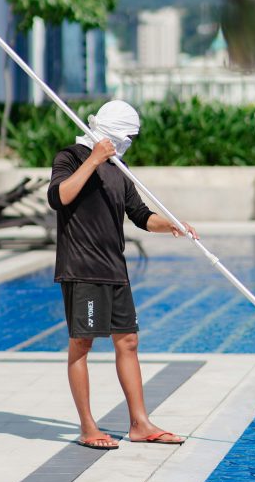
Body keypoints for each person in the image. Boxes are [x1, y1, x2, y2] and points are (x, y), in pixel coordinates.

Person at [47, 100, 198, 450]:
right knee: (81, 344)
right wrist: (93, 159)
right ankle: (88, 427)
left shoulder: (119, 167)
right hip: (82, 268)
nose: (128, 142)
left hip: (115, 267)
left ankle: (140, 424)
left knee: (128, 341)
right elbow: (58, 197)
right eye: (125, 136)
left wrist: (172, 224)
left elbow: (140, 214)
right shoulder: (70, 157)